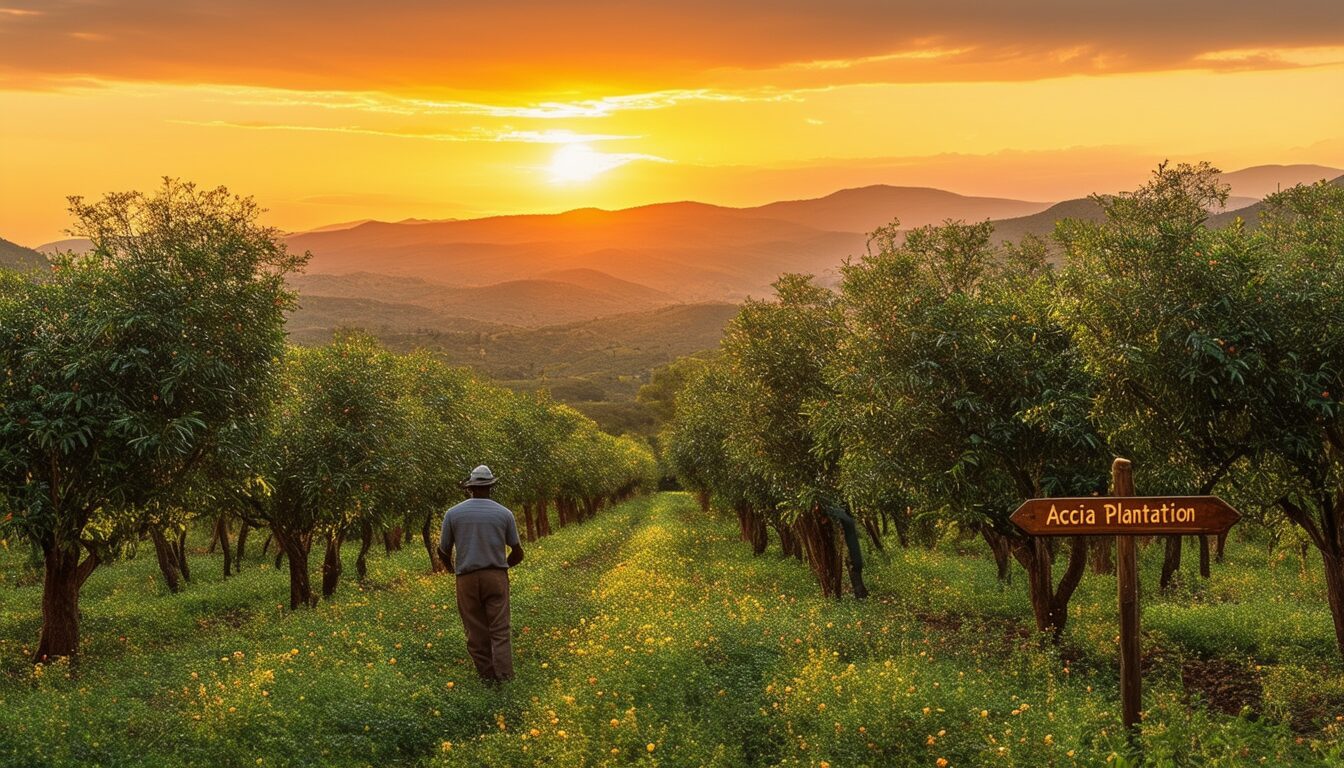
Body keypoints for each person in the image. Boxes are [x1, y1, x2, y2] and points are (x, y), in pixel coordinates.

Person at [437, 465, 524, 683]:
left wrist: (451, 569)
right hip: (495, 576)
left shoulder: (453, 514)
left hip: (466, 577)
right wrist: (502, 567)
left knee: (475, 631)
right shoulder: (504, 513)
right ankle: (504, 678)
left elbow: (443, 550)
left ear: (470, 488)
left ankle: (487, 678)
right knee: (500, 629)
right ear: (491, 487)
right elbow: (518, 552)